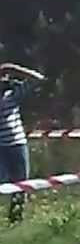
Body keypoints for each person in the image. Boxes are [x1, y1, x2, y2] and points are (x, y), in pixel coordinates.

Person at [0, 62, 44, 223]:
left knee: (21, 183)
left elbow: (39, 79)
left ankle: (16, 218)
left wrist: (13, 69)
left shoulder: (12, 95)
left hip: (17, 145)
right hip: (1, 148)